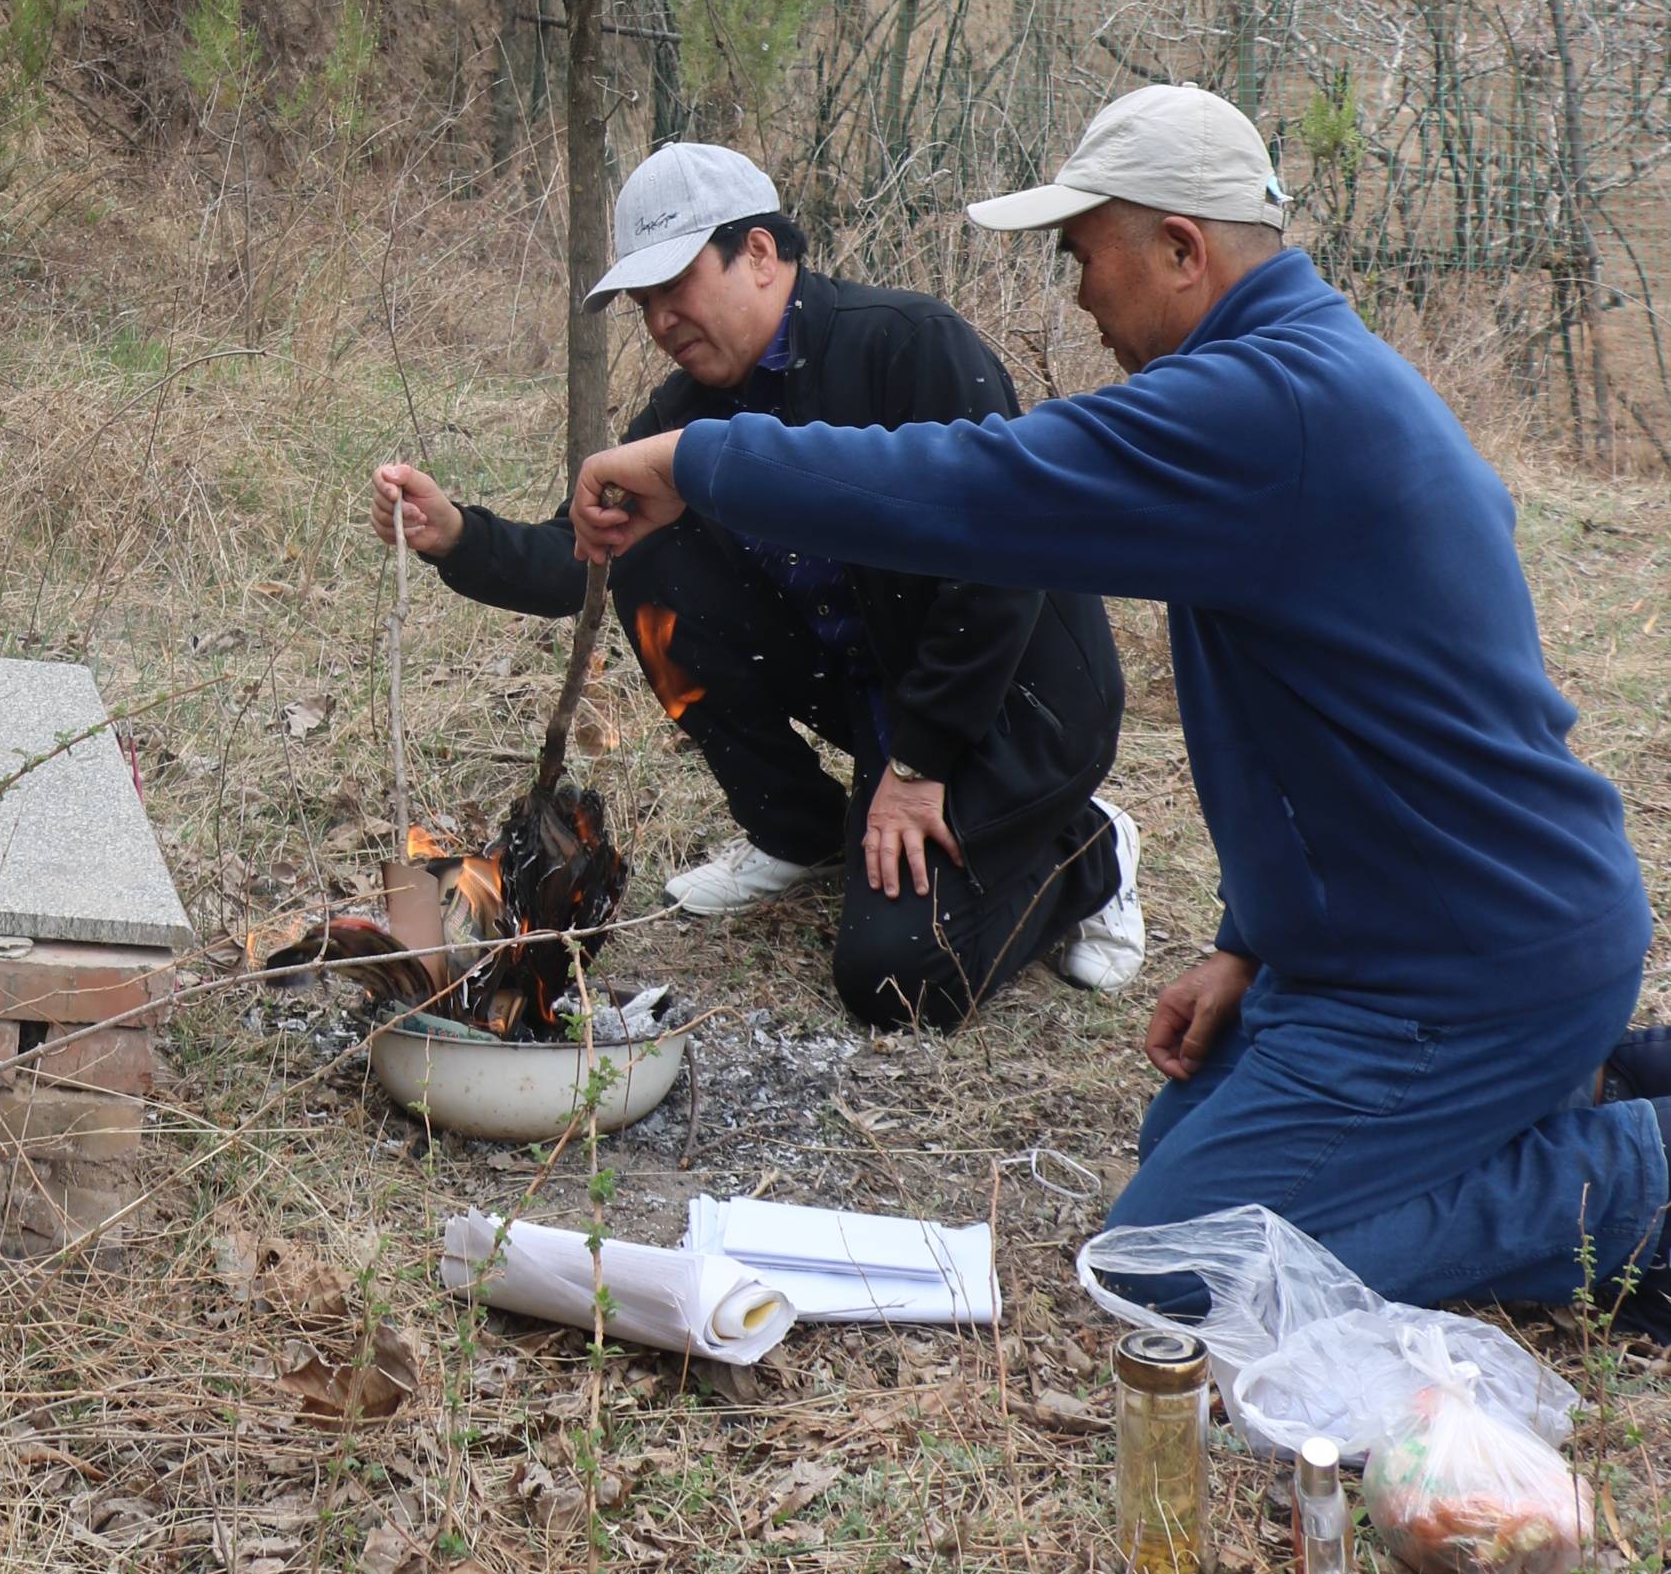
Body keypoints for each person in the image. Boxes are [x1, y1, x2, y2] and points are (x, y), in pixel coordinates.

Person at [569, 82, 1669, 1325]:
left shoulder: (1264, 407)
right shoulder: (1309, 380)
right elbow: (1330, 722)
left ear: (1181, 249)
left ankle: (1640, 1173)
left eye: (1086, 255)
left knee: (1173, 1264)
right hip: (1394, 944)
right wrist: (1256, 941)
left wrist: (696, 460)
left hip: (1465, 960)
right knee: (1186, 1131)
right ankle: (1573, 1081)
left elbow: (978, 487)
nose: (1080, 294)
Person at [370, 138, 1140, 1032]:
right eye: (643, 302)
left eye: (676, 288)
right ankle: (803, 834)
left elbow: (1002, 561)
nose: (659, 319)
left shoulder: (905, 347)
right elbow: (582, 554)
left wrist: (917, 768)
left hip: (1016, 706)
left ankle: (1088, 850)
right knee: (649, 561)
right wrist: (453, 534)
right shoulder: (683, 413)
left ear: (761, 254)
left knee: (895, 982)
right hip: (881, 701)